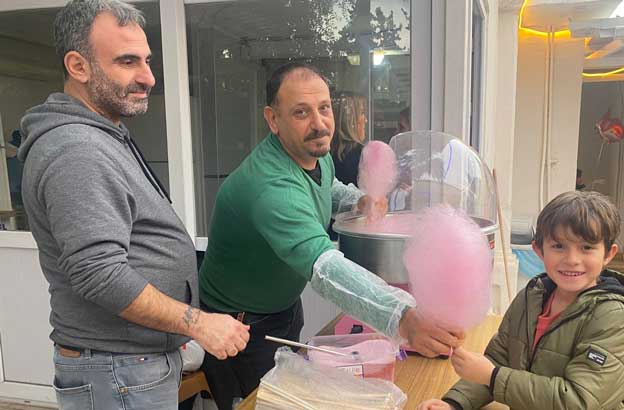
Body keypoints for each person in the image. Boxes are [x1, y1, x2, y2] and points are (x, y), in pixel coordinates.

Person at [18, 1, 249, 408]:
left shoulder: (103, 134)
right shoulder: (78, 149)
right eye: (127, 61)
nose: (148, 77)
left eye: (147, 60)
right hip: (116, 370)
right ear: (78, 66)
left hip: (128, 365)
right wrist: (198, 323)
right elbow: (99, 273)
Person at [199, 62, 464, 410]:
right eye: (301, 112)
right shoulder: (270, 186)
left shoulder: (312, 152)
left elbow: (329, 188)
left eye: (324, 108)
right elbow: (325, 268)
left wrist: (359, 200)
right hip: (241, 325)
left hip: (282, 306)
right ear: (273, 119)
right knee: (266, 404)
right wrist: (402, 316)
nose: (319, 123)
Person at [418, 190, 624, 410]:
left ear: (608, 254)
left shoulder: (614, 318)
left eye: (586, 247)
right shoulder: (531, 298)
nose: (572, 259)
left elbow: (579, 401)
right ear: (539, 250)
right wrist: (455, 403)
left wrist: (492, 376)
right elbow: (499, 358)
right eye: (558, 246)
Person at [331, 92, 367, 186]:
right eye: (362, 113)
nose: (366, 120)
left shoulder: (324, 154)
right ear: (350, 120)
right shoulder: (363, 155)